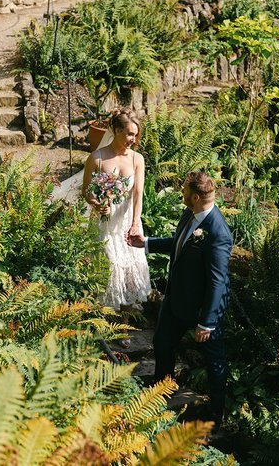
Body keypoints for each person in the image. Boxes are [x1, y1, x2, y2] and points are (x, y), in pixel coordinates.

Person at [127, 171, 232, 431]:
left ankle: (216, 414)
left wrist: (207, 323)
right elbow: (181, 243)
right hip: (176, 301)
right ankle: (160, 394)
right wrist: (147, 243)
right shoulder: (191, 213)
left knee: (214, 362)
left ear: (195, 197)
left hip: (202, 311)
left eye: (184, 191)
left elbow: (218, 281)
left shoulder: (218, 234)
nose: (181, 193)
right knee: (162, 343)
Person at [81, 109, 151, 344]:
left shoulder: (136, 159)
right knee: (109, 272)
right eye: (130, 134)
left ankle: (124, 329)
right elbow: (86, 192)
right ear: (117, 130)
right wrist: (97, 204)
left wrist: (134, 224)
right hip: (105, 224)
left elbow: (138, 194)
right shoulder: (97, 158)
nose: (133, 139)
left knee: (129, 274)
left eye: (136, 135)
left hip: (128, 222)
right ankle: (101, 325)